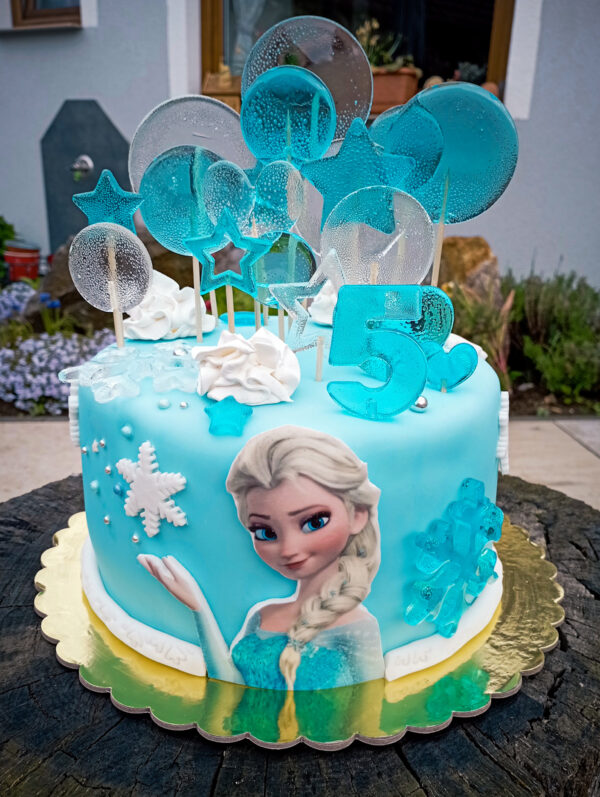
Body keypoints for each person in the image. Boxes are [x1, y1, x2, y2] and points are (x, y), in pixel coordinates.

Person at [138, 425, 384, 691]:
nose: (288, 549)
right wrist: (199, 608)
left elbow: (369, 706)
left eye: (314, 522)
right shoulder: (261, 615)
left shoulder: (358, 627)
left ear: (357, 514)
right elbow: (232, 686)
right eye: (266, 532)